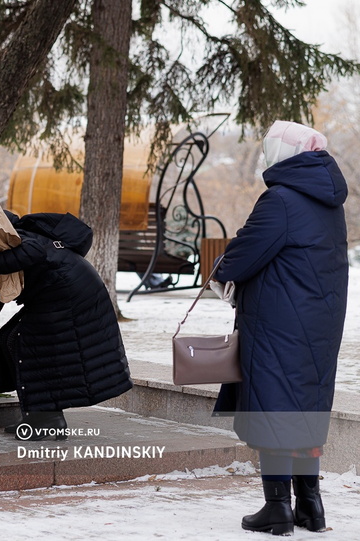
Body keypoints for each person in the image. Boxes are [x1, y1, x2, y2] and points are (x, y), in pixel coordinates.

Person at [212, 121, 349, 536]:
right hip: (320, 323)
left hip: (279, 322)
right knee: (304, 409)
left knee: (274, 408)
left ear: (283, 154)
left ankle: (277, 509)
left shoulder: (281, 199)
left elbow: (244, 253)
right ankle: (311, 506)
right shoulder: (328, 201)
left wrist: (221, 270)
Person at [0, 212, 132, 440]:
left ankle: (46, 420)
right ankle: (40, 417)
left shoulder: (1, 245)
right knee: (10, 339)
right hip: (60, 293)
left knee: (24, 342)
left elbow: (36, 250)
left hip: (71, 293)